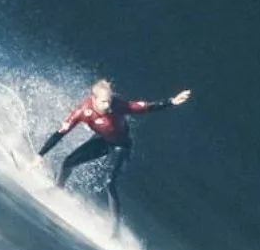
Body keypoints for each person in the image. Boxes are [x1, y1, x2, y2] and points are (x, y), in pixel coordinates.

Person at [37, 78, 192, 236]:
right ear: (93, 99)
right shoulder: (83, 111)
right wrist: (40, 155)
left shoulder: (119, 106)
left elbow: (147, 107)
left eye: (109, 100)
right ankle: (57, 190)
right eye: (104, 102)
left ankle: (115, 230)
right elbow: (60, 133)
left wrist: (172, 102)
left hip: (121, 146)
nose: (108, 105)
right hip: (102, 140)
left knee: (109, 182)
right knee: (68, 162)